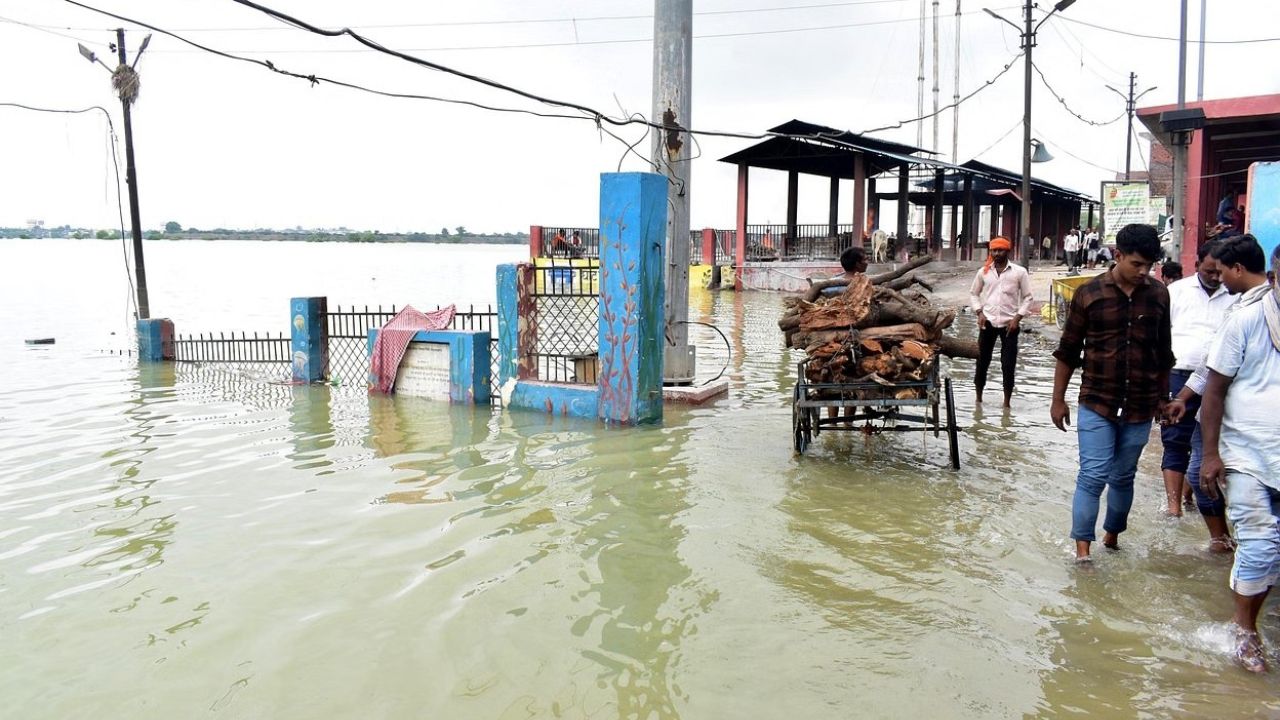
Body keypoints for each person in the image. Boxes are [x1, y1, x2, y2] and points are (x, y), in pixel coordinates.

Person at [1051, 223, 1174, 563]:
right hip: (1097, 401)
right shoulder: (1089, 294)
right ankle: (1082, 554)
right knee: (1092, 476)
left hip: (1141, 404)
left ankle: (1112, 537)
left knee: (1123, 476)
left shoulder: (1159, 294)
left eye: (1149, 265)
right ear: (1118, 256)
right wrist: (1058, 399)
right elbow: (1068, 351)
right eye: (1136, 264)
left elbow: (1163, 352)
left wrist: (1163, 399)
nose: (1143, 272)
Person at [1197, 242, 1280, 673]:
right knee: (1260, 543)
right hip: (1246, 451)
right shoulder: (1246, 320)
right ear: (1275, 278)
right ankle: (1244, 630)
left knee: (1274, 551)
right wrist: (1210, 454)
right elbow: (1214, 389)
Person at [1167, 236, 1274, 553]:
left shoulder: (1247, 313)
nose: (1220, 279)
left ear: (1237, 269)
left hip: (1243, 419)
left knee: (1209, 475)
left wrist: (1212, 452)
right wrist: (1183, 397)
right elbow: (1210, 365)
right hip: (1231, 412)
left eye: (1222, 270)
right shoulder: (1246, 307)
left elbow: (1214, 379)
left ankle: (1229, 545)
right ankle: (1225, 541)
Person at [1158, 241, 1231, 519]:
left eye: (1219, 272)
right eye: (1209, 270)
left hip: (1221, 379)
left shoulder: (1235, 293)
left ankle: (1192, 494)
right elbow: (1159, 335)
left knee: (1208, 442)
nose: (1215, 277)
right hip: (1179, 373)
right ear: (1198, 264)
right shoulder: (1176, 291)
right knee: (1176, 440)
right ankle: (1173, 507)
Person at [969, 236, 1033, 408]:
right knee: (982, 362)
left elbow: (1028, 297)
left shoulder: (1019, 272)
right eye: (994, 250)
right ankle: (978, 400)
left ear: (1007, 251)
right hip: (987, 322)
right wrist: (979, 312)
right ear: (990, 252)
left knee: (1008, 365)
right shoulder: (983, 272)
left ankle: (1006, 404)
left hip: (1010, 324)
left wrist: (1017, 318)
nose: (997, 253)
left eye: (1000, 250)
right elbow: (974, 294)